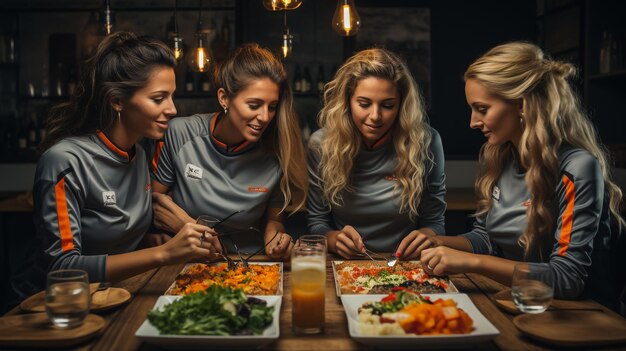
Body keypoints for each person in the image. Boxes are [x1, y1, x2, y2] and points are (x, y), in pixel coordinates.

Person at [12, 32, 221, 300]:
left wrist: (150, 242)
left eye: (171, 96)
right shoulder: (64, 161)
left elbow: (119, 238)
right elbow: (62, 268)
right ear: (117, 101)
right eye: (158, 98)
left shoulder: (140, 154)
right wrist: (163, 254)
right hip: (57, 308)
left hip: (116, 295)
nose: (172, 109)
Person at [418, 42, 624, 304]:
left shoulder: (577, 168)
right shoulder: (497, 157)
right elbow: (486, 239)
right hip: (520, 302)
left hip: (580, 316)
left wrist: (473, 262)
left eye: (482, 109)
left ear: (522, 105)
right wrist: (436, 242)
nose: (472, 122)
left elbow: (568, 279)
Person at [151, 43, 308, 260]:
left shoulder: (277, 152)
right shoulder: (180, 133)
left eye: (271, 107)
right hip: (187, 261)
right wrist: (191, 227)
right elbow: (153, 202)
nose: (264, 117)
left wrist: (278, 242)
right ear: (224, 98)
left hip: (246, 263)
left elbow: (274, 221)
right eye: (254, 105)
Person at [307, 48, 446, 259]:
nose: (375, 116)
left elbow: (435, 222)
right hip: (344, 264)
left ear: (401, 105)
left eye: (388, 105)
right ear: (347, 102)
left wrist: (426, 236)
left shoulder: (426, 141)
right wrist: (333, 240)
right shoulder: (321, 144)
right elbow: (317, 222)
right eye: (364, 104)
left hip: (405, 265)